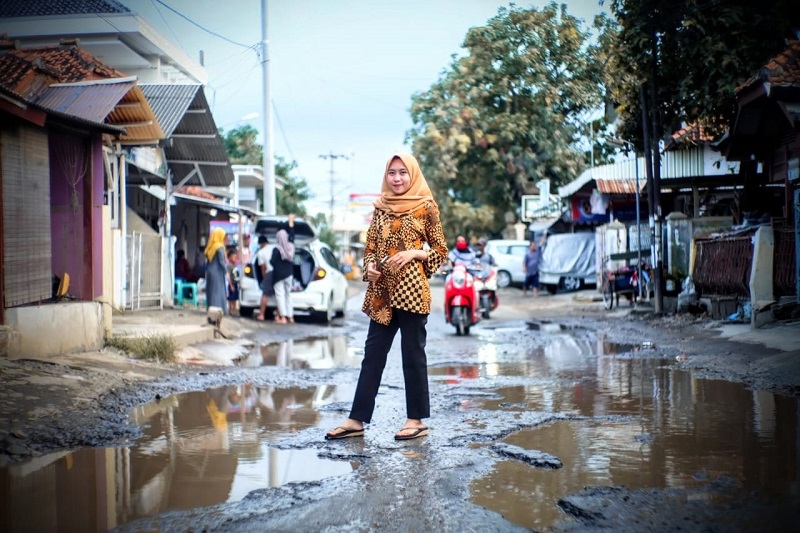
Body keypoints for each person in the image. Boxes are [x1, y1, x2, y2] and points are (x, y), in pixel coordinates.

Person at [325, 153, 447, 441]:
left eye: (403, 173)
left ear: (412, 174)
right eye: (392, 173)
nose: (397, 178)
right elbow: (370, 248)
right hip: (381, 294)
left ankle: (415, 420)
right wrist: (369, 267)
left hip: (412, 291)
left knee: (412, 356)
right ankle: (357, 419)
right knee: (372, 356)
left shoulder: (425, 207)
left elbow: (440, 251)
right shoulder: (380, 208)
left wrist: (415, 253)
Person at [270, 214, 296, 324]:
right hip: (289, 274)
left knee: (280, 296)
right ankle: (291, 317)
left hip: (278, 276)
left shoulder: (277, 249)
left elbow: (272, 262)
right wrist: (291, 222)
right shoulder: (290, 247)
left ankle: (283, 318)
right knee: (288, 295)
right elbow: (292, 236)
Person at [204, 228, 230, 314]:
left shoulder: (211, 246)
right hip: (217, 272)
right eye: (223, 236)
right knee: (217, 291)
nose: (225, 238)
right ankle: (217, 310)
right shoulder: (219, 247)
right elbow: (222, 262)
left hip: (210, 271)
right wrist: (226, 272)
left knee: (211, 291)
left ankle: (210, 309)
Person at [255, 235, 271, 321]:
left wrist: (265, 278)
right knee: (280, 294)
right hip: (280, 273)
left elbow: (263, 268)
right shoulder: (274, 248)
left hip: (269, 272)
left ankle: (261, 315)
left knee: (265, 294)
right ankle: (279, 316)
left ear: (261, 244)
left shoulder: (261, 252)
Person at [226, 248, 240, 316]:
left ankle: (234, 310)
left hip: (236, 283)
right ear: (230, 258)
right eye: (233, 257)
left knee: (235, 298)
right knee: (231, 298)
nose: (235, 258)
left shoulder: (236, 265)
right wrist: (230, 285)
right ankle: (230, 310)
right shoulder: (229, 266)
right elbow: (228, 276)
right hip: (232, 284)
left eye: (235, 256)